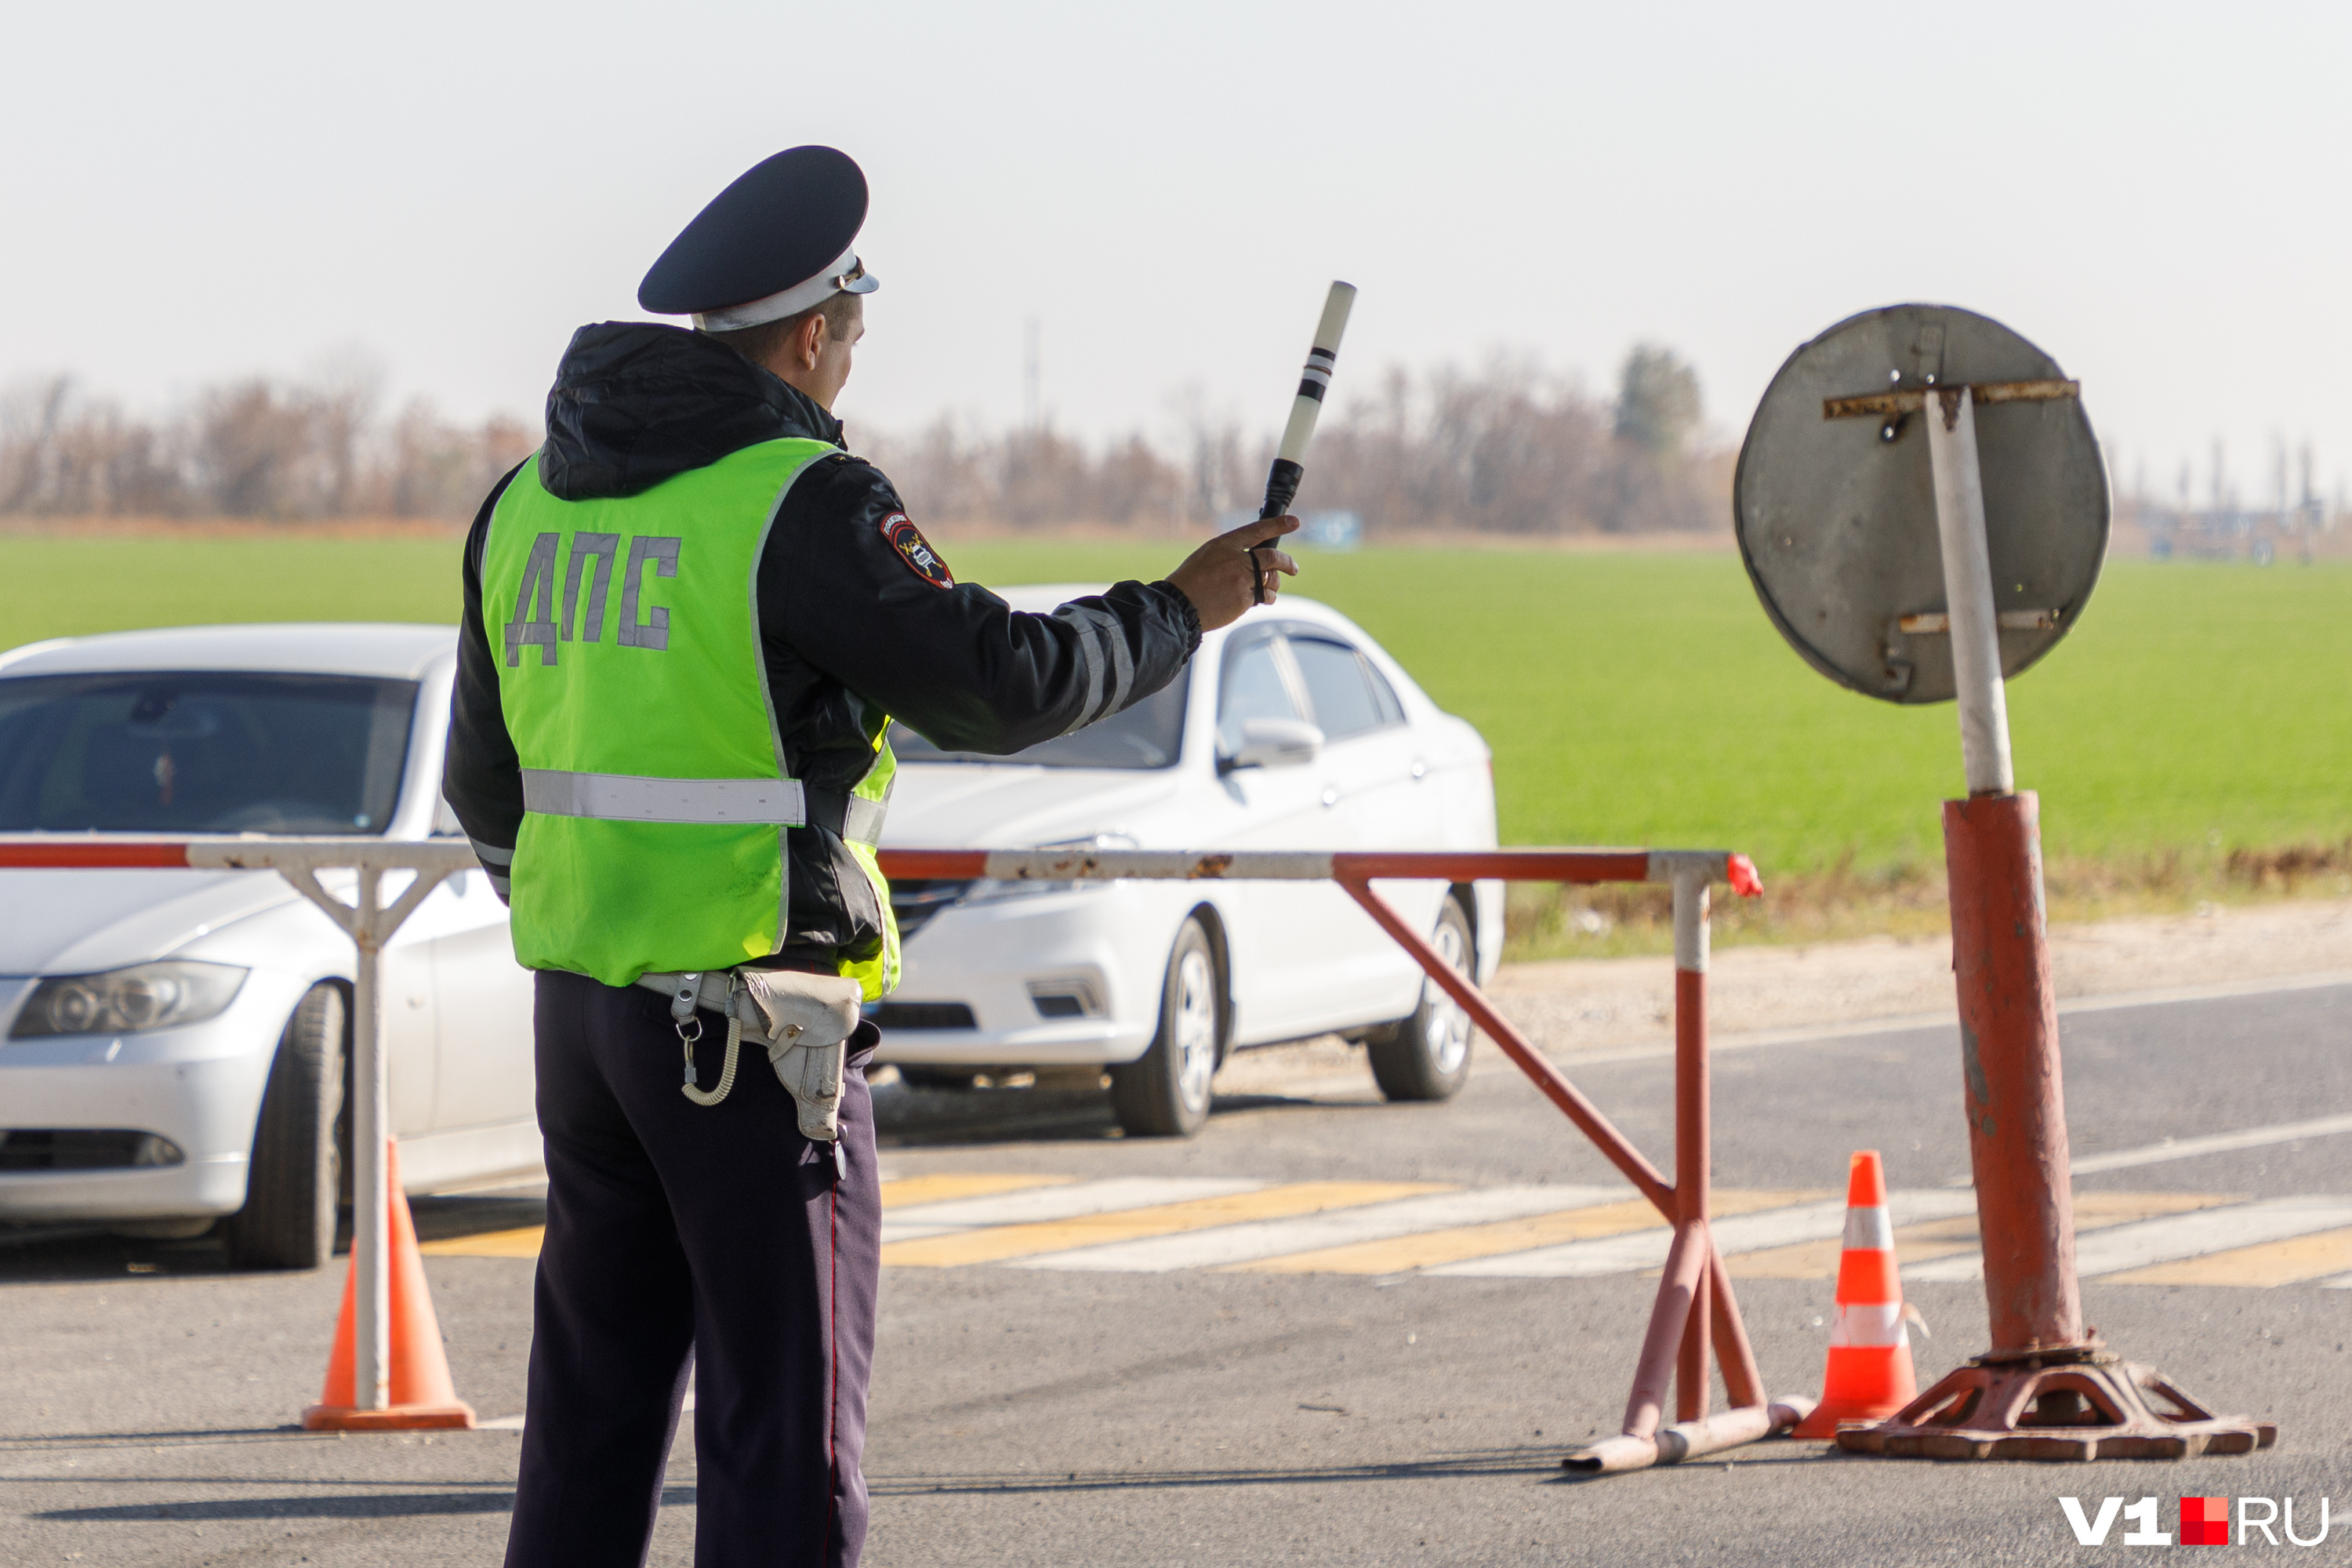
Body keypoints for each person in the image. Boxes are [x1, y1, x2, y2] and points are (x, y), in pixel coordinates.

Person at [441, 144, 1299, 1568]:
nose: (851, 366)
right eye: (854, 335)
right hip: (750, 1038)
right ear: (811, 334)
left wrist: (606, 919)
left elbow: (486, 787)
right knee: (786, 1436)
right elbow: (1004, 682)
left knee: (588, 1425)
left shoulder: (525, 504)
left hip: (584, 1022)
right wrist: (1181, 608)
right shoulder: (799, 501)